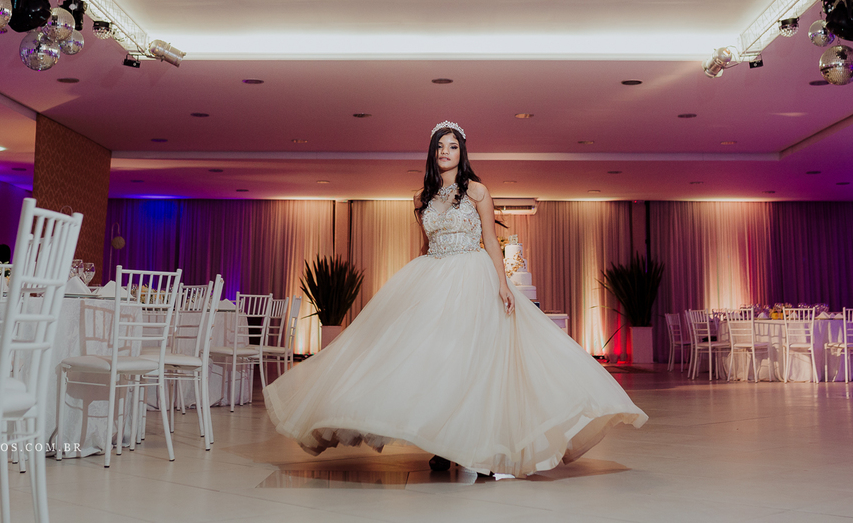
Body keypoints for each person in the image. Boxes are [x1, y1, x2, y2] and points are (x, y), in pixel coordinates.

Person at [263, 121, 647, 477]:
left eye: (453, 146)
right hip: (431, 276)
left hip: (471, 275)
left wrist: (502, 283)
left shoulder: (477, 190)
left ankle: (481, 448)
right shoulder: (422, 198)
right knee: (435, 360)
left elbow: (491, 242)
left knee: (473, 361)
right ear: (432, 155)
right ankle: (442, 444)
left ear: (462, 153)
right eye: (440, 147)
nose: (446, 152)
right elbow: (425, 245)